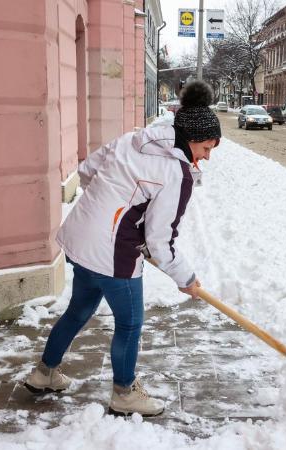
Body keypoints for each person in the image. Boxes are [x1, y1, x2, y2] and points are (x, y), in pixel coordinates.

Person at [23, 81, 221, 417]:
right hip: (112, 252)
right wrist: (185, 278)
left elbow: (87, 172)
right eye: (206, 148)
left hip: (79, 238)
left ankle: (44, 374)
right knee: (129, 323)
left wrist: (106, 207)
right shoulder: (175, 172)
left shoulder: (133, 139)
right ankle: (124, 393)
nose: (206, 156)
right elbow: (160, 241)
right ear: (190, 139)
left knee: (78, 310)